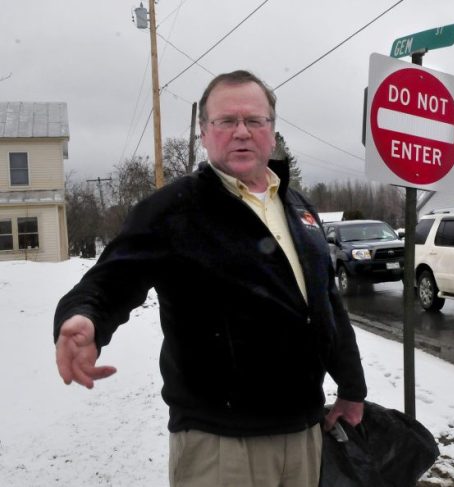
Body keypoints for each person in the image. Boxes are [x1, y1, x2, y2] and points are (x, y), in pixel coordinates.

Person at [53, 69, 367, 487]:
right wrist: (84, 317)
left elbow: (326, 304)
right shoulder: (173, 210)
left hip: (306, 431)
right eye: (226, 121)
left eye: (254, 121)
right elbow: (110, 281)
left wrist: (351, 386)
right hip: (221, 445)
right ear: (203, 132)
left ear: (271, 132)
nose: (242, 132)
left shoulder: (299, 208)